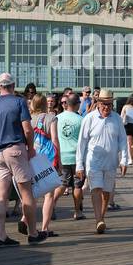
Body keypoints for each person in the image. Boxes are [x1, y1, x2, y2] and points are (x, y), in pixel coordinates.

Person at [0, 73, 40, 247]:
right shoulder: (19, 102)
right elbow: (28, 130)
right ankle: (33, 233)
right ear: (13, 85)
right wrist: (30, 149)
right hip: (15, 149)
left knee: (1, 195)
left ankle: (1, 236)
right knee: (26, 193)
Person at [75, 88, 130, 234]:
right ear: (98, 103)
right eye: (104, 104)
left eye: (109, 104)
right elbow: (81, 143)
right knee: (96, 189)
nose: (106, 107)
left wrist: (124, 160)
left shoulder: (117, 119)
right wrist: (79, 165)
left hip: (111, 163)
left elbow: (123, 141)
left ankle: (102, 217)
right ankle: (98, 219)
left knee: (106, 192)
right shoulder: (89, 118)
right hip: (94, 162)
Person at [29, 93, 61, 238]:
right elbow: (54, 139)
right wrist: (58, 158)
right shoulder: (51, 118)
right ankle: (44, 228)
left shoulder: (28, 119)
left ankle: (27, 222)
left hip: (31, 158)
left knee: (32, 193)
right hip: (47, 159)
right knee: (49, 195)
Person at [55, 92, 85, 220]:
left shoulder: (57, 118)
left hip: (62, 156)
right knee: (77, 186)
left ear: (66, 104)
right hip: (77, 158)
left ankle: (51, 205)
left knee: (62, 184)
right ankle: (77, 211)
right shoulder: (81, 120)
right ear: (78, 104)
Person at [121, 94, 133, 161]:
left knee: (129, 143)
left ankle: (130, 158)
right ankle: (132, 158)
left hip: (127, 125)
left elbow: (121, 117)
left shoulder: (125, 107)